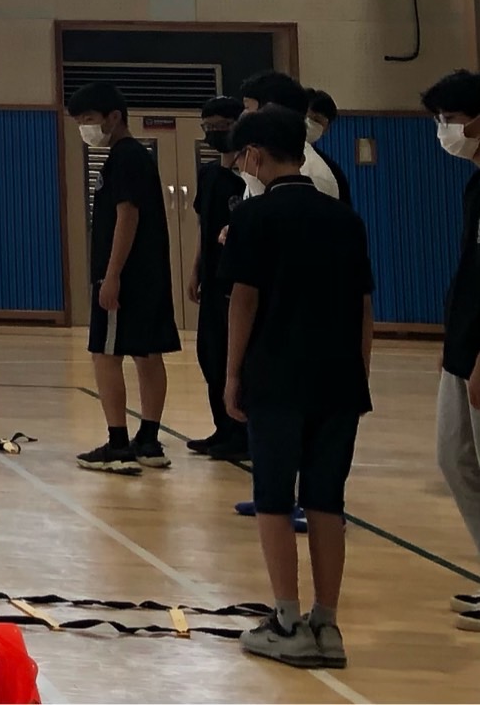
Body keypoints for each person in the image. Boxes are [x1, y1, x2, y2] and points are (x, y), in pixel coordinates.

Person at [220, 106, 373, 669]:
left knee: (274, 497)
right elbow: (364, 306)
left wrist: (232, 374)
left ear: (256, 154)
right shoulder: (345, 218)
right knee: (327, 499)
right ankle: (326, 624)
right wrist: (359, 372)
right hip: (339, 379)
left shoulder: (253, 217)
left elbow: (244, 300)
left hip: (276, 376)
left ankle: (286, 620)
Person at [68, 81, 180, 475]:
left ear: (114, 117)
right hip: (148, 274)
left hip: (125, 276)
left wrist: (112, 274)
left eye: (88, 118)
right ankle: (148, 441)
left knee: (106, 354)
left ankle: (118, 444)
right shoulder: (136, 157)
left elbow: (127, 214)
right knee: (147, 353)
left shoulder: (124, 157)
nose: (84, 128)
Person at [421, 70, 480, 630]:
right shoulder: (474, 183)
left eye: (451, 119)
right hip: (463, 344)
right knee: (453, 457)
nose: (445, 130)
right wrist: (453, 338)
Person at [186, 96, 249, 461]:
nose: (214, 133)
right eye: (208, 128)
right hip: (211, 278)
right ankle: (221, 428)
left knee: (231, 357)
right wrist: (195, 268)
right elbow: (203, 225)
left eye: (221, 127)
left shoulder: (248, 178)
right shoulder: (210, 174)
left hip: (236, 281)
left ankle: (242, 433)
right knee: (209, 355)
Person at [238, 72, 340, 201]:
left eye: (247, 107)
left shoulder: (312, 175)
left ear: (271, 111)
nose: (242, 116)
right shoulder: (258, 161)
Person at [305, 89, 352, 206]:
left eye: (316, 120)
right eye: (304, 116)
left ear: (326, 128)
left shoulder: (332, 171)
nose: (308, 123)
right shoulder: (273, 157)